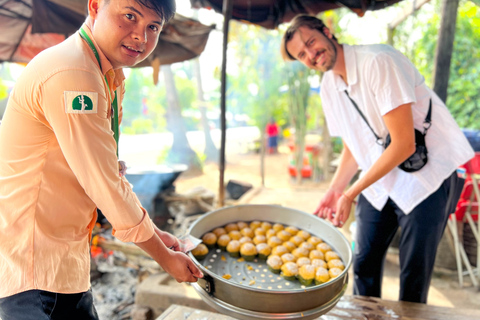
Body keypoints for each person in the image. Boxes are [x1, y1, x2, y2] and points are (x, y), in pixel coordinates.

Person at [0, 1, 203, 319]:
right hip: (28, 265)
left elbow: (108, 168)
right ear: (95, 6)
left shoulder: (107, 74)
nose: (140, 36)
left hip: (65, 262)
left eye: (153, 27)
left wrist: (156, 232)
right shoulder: (73, 72)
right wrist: (164, 257)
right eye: (130, 16)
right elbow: (105, 184)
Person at [281, 14, 474, 304]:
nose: (311, 54)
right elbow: (353, 145)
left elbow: (404, 144)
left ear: (327, 31)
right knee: (364, 264)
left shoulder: (379, 62)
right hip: (381, 180)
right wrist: (335, 191)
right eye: (301, 54)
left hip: (426, 177)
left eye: (311, 42)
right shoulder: (329, 87)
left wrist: (350, 193)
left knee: (413, 276)